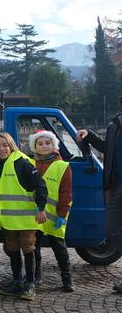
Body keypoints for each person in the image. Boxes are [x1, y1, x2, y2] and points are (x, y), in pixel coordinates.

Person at [0, 133, 47, 301]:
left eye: (4, 145)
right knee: (13, 251)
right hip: (8, 220)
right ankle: (17, 281)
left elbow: (40, 185)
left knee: (28, 251)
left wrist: (41, 208)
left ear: (11, 145)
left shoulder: (23, 163)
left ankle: (30, 284)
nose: (1, 149)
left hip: (26, 219)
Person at [77, 103, 122, 293]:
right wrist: (90, 135)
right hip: (116, 184)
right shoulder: (115, 124)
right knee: (111, 229)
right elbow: (107, 148)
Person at [30, 130, 74, 292]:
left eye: (47, 143)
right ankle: (36, 276)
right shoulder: (30, 163)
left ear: (54, 145)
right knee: (34, 247)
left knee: (59, 247)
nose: (44, 146)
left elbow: (66, 192)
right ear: (35, 146)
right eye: (40, 143)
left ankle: (67, 279)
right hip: (35, 214)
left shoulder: (62, 166)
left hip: (55, 214)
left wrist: (62, 214)